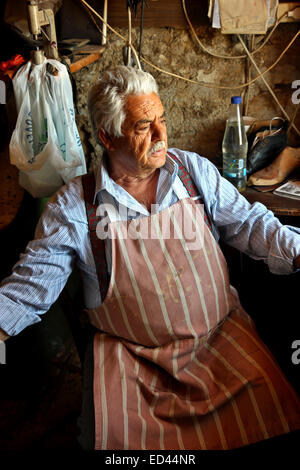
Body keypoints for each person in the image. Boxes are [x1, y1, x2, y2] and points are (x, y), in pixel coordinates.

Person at [0, 65, 300, 451]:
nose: (162, 136)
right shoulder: (74, 208)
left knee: (278, 415)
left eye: (161, 119)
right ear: (108, 137)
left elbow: (248, 222)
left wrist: (295, 251)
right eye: (144, 126)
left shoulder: (191, 171)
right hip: (134, 363)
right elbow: (28, 289)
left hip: (219, 341)